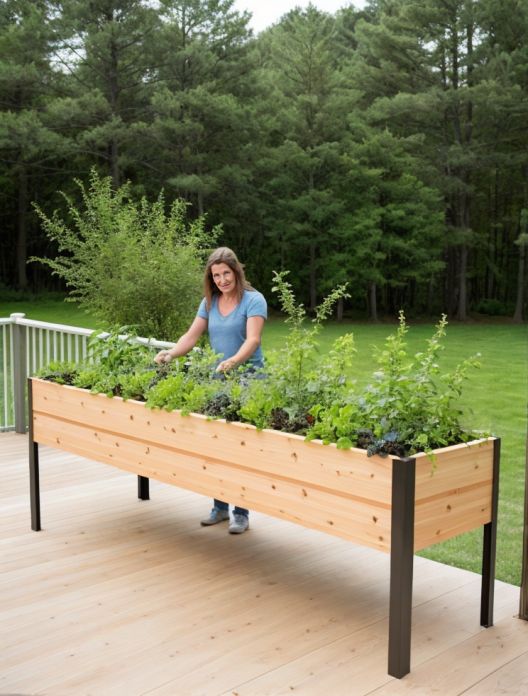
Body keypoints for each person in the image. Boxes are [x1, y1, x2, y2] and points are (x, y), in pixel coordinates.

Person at [154, 246, 267, 534]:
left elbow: (252, 340)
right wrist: (170, 354)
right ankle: (219, 507)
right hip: (218, 381)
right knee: (216, 447)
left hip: (248, 382)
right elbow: (191, 336)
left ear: (236, 271)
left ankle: (240, 513)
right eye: (216, 275)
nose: (222, 280)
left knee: (239, 450)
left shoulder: (253, 301)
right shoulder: (209, 303)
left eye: (226, 273)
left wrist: (233, 361)